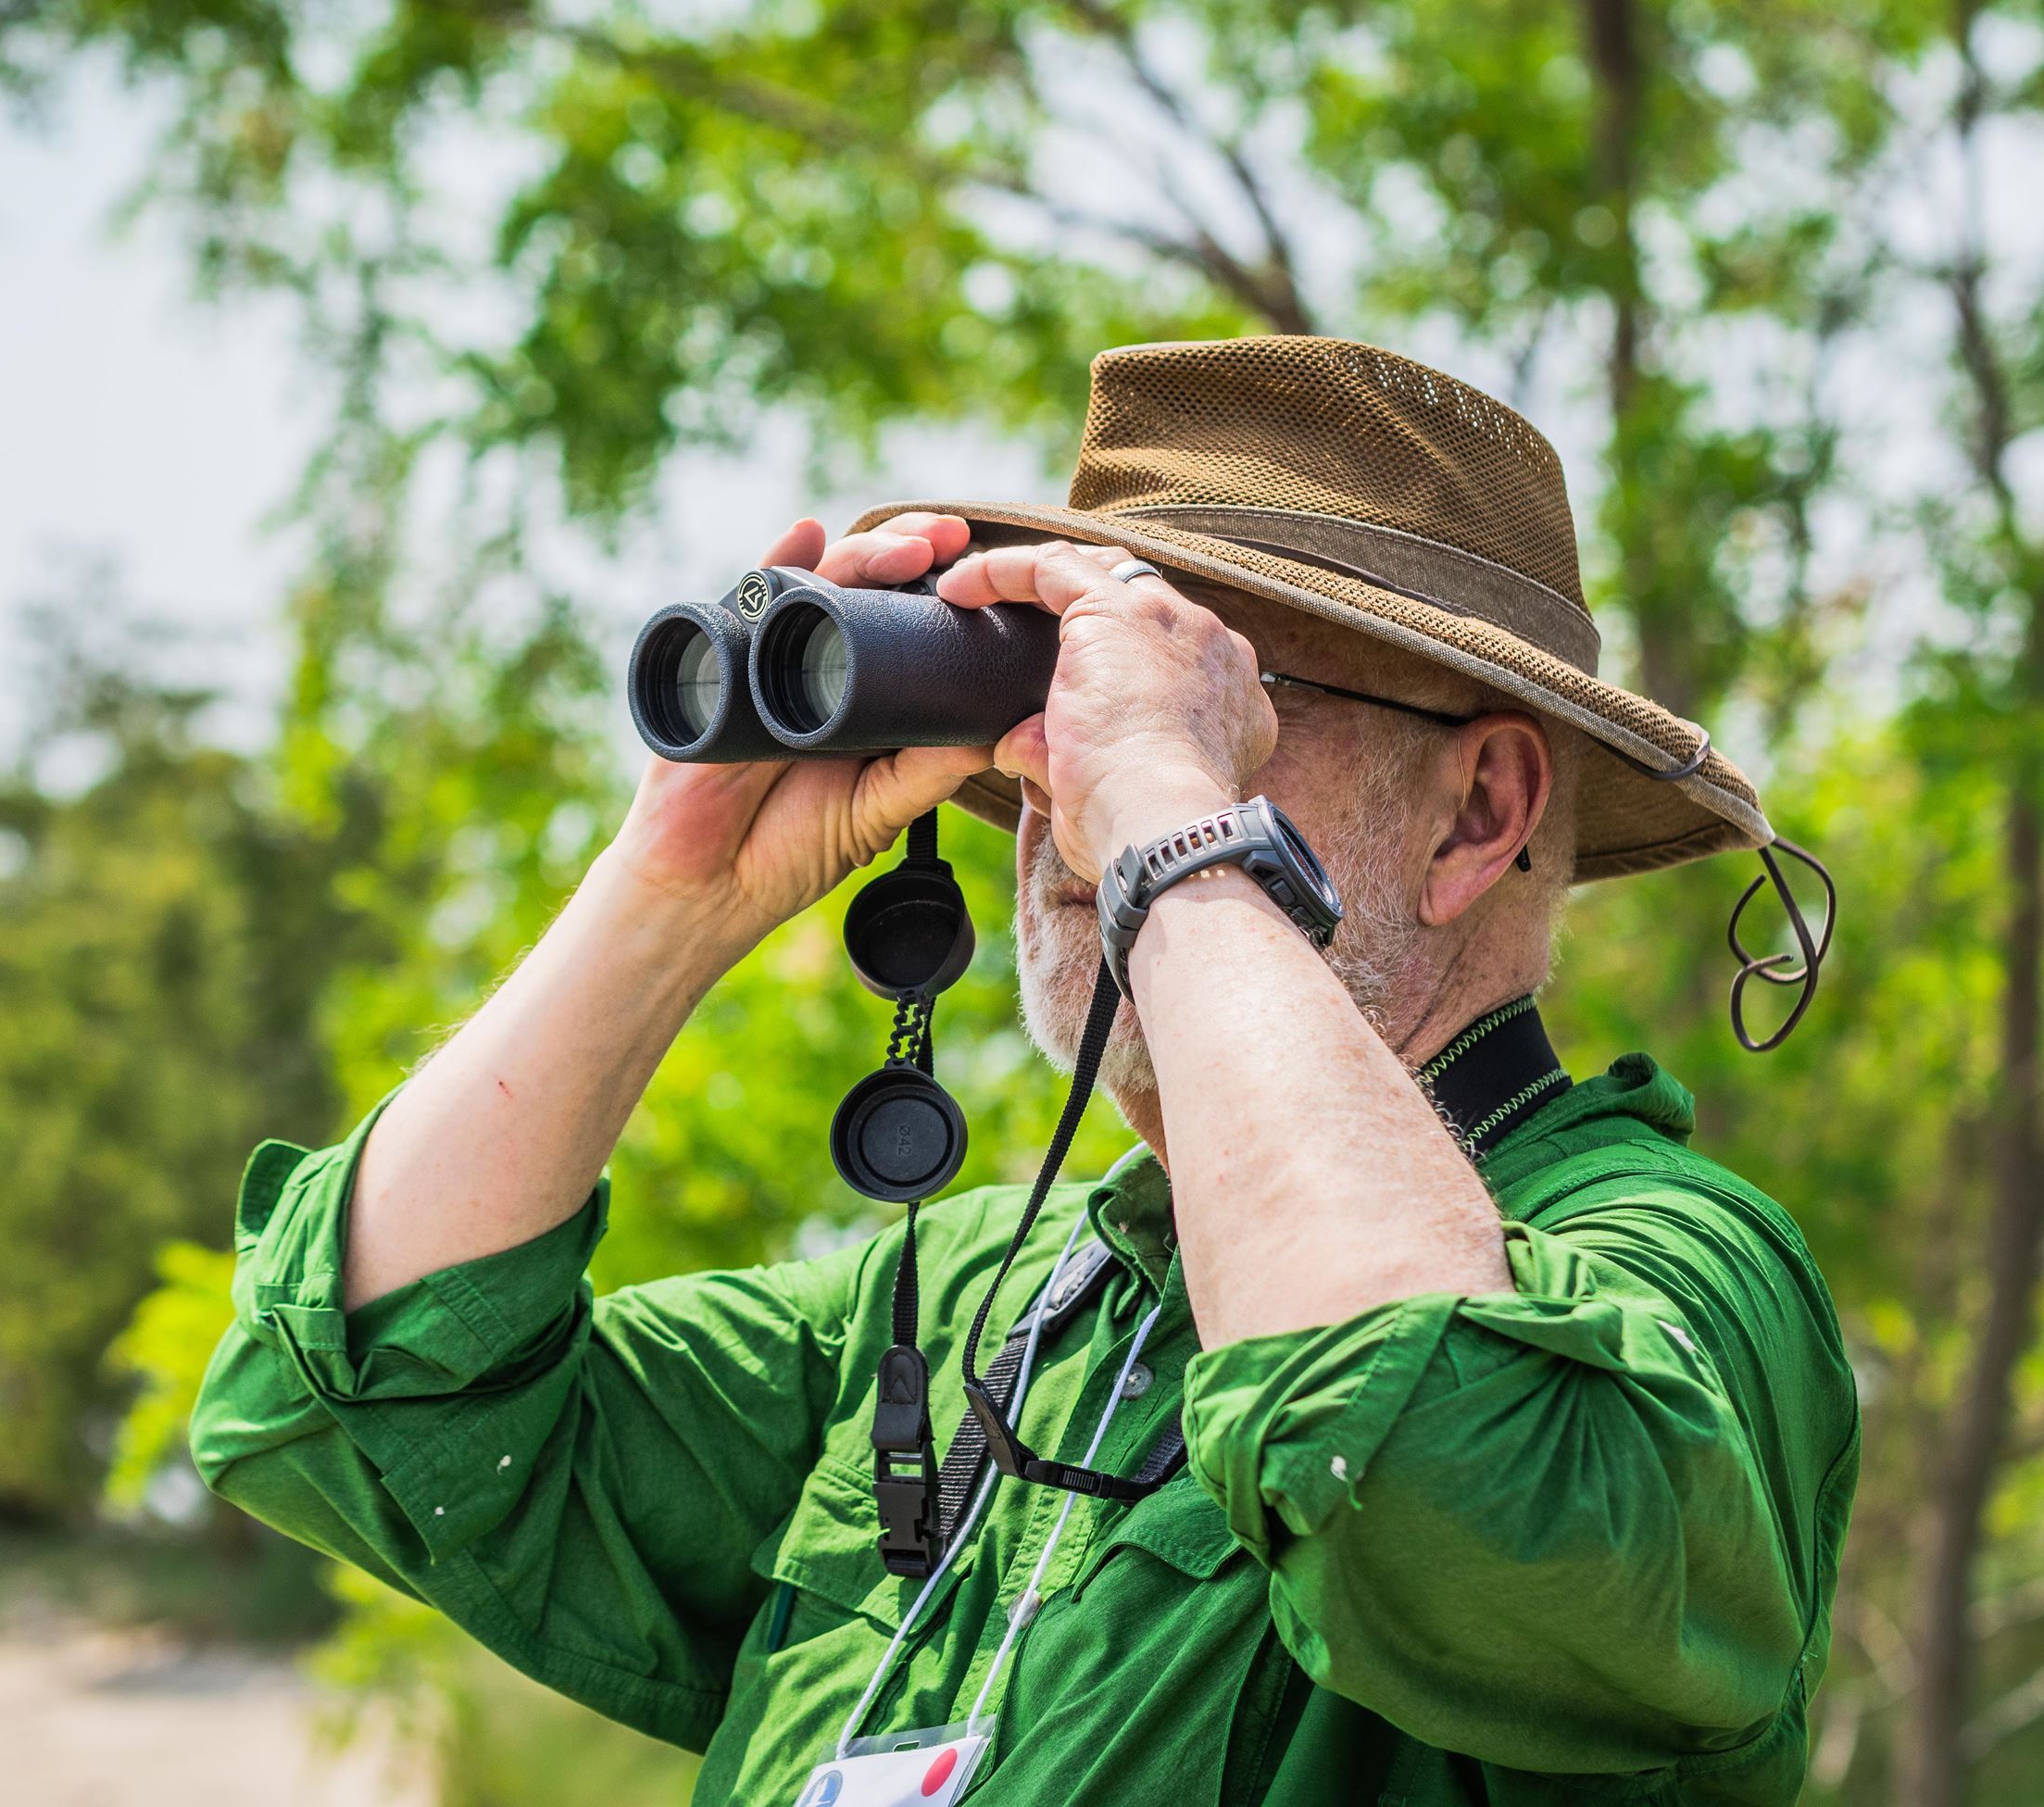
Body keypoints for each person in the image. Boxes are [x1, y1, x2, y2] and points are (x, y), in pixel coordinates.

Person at [190, 337, 1857, 1805]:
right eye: (1059, 696)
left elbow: (1421, 1456)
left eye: (1221, 694)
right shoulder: (967, 1300)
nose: (1066, 791)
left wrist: (1170, 810)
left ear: (1481, 812)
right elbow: (370, 1392)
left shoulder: (1676, 1277)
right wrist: (670, 892)